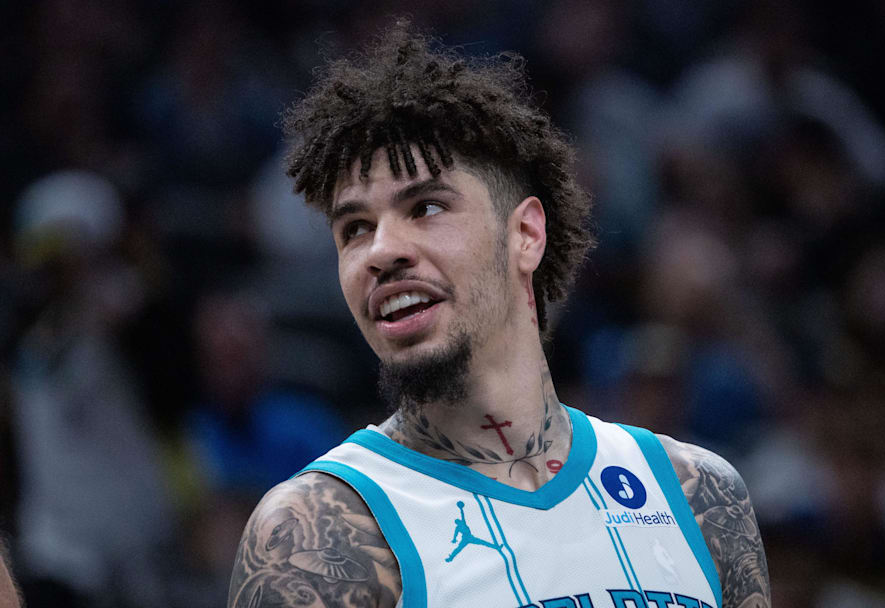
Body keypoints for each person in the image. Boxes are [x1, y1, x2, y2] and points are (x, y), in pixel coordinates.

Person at [228, 22, 770, 608]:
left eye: (426, 206)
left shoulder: (698, 496)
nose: (381, 251)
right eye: (354, 228)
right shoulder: (318, 537)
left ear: (526, 234)